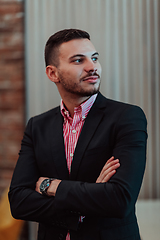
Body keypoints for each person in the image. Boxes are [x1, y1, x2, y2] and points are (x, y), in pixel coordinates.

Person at [8, 29, 147, 240]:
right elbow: (19, 202)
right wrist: (92, 196)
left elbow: (120, 200)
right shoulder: (37, 126)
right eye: (78, 60)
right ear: (52, 73)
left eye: (94, 58)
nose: (92, 67)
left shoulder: (127, 117)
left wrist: (50, 186)